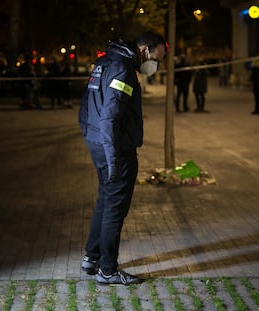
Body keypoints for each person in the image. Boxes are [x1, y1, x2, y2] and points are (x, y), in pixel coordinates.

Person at [78, 31, 166, 285]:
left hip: (98, 142)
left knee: (105, 200)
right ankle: (108, 271)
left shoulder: (105, 61)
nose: (156, 64)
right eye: (157, 57)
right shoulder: (122, 70)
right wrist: (113, 158)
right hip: (115, 149)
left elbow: (85, 105)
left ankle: (91, 258)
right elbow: (109, 116)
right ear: (145, 50)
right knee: (114, 210)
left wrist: (88, 134)